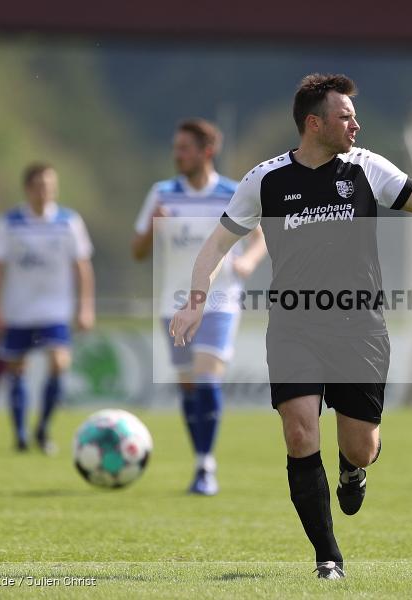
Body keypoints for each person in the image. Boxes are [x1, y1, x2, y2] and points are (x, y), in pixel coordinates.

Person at [170, 74, 412, 579]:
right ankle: (328, 557)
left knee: (362, 445)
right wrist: (196, 301)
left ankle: (353, 469)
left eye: (354, 115)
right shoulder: (264, 180)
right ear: (315, 123)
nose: (355, 123)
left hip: (359, 328)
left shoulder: (366, 168)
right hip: (293, 326)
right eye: (344, 116)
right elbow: (216, 245)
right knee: (298, 433)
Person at [132, 119, 266, 496]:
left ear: (206, 152)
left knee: (207, 378)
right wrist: (152, 227)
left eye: (184, 148)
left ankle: (206, 465)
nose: (177, 155)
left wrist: (248, 262)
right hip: (172, 304)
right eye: (176, 148)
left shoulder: (232, 191)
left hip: (220, 301)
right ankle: (199, 460)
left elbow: (260, 238)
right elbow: (137, 251)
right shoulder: (161, 193)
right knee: (189, 386)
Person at [0, 163, 95, 453]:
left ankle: (44, 428)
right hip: (18, 309)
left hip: (55, 309)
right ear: (27, 189)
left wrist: (85, 308)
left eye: (49, 185)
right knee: (17, 368)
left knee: (59, 362)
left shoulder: (69, 222)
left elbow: (82, 267)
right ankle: (20, 435)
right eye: (39, 186)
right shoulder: (9, 223)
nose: (45, 191)